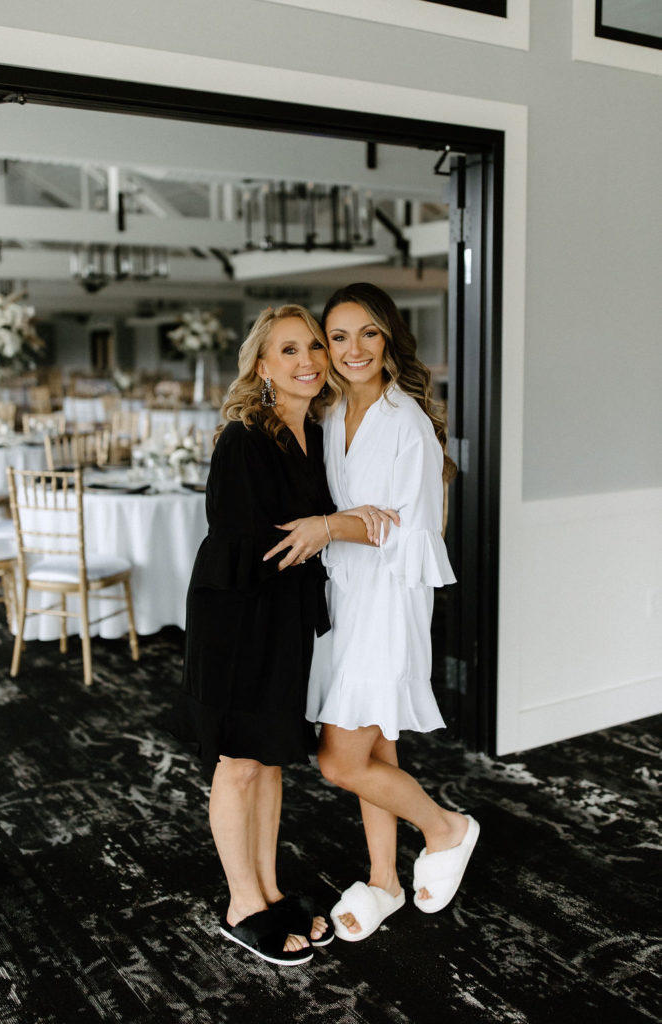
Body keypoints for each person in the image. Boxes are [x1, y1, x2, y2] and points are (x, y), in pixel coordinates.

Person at [264, 282, 479, 943]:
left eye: (367, 334)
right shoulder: (329, 417)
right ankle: (384, 879)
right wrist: (346, 522)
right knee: (375, 745)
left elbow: (411, 533)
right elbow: (360, 516)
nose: (352, 349)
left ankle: (446, 828)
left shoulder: (404, 422)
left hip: (386, 603)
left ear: (388, 341)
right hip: (343, 597)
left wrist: (333, 526)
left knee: (339, 759)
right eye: (339, 336)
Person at [171, 304, 339, 966]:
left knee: (270, 760)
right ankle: (241, 905)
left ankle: (268, 889)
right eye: (290, 350)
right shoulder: (244, 436)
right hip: (238, 620)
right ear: (263, 366)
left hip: (286, 615)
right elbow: (245, 544)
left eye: (314, 348)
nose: (308, 361)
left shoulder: (319, 435)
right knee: (238, 764)